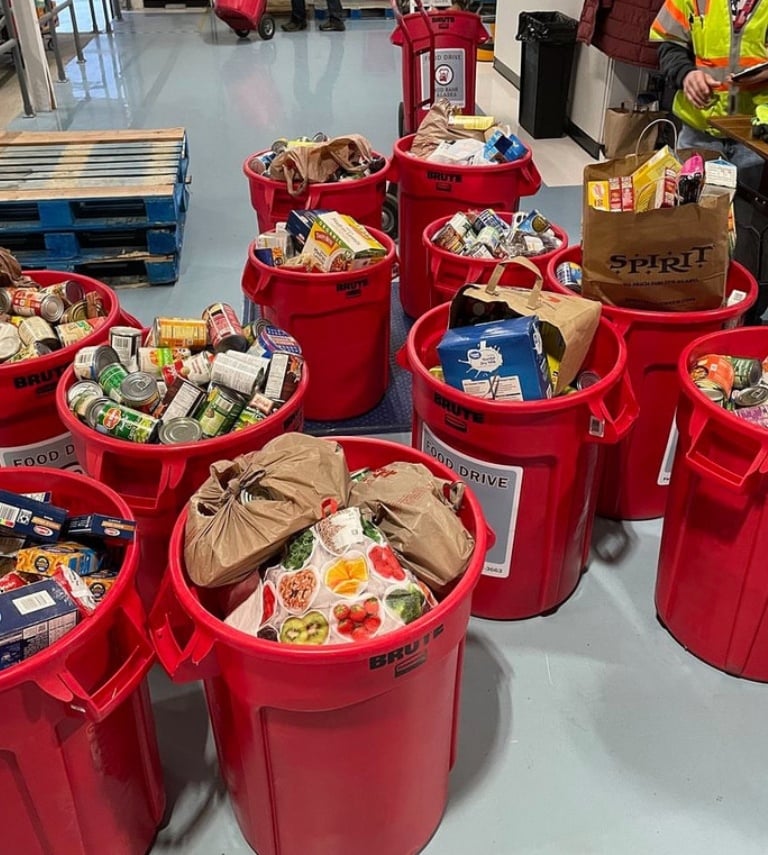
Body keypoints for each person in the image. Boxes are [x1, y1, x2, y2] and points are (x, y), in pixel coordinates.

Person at [650, 0, 768, 320]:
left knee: (747, 236)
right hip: (699, 132)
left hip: (755, 139)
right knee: (688, 226)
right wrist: (686, 75)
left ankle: (742, 318)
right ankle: (685, 310)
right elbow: (668, 42)